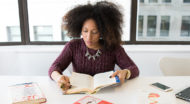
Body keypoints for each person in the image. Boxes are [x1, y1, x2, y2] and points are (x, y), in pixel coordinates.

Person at [48, 1, 139, 93]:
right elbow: (54, 67)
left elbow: (134, 68)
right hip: (78, 93)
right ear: (80, 30)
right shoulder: (72, 46)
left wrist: (125, 72)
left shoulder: (113, 47)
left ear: (103, 31)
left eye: (94, 32)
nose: (89, 37)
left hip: (107, 93)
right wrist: (59, 78)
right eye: (85, 31)